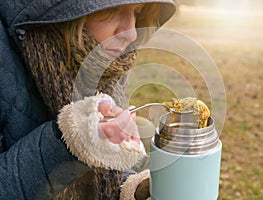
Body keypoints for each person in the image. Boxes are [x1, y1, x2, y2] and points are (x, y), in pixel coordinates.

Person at [0, 0, 176, 199]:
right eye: (113, 10)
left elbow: (106, 172)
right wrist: (69, 140)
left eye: (138, 12)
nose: (131, 33)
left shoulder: (104, 62)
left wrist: (134, 189)